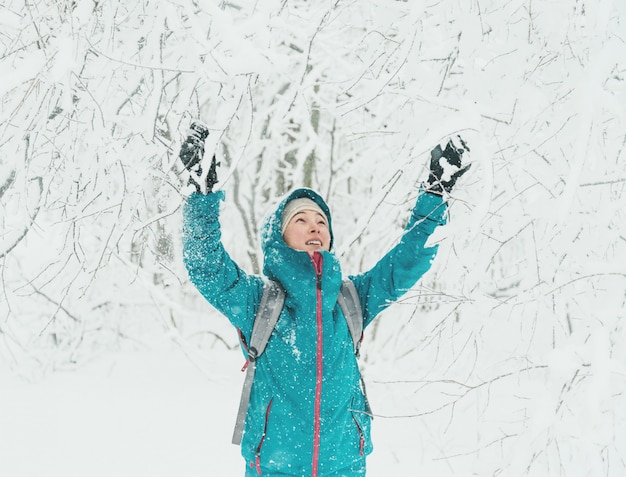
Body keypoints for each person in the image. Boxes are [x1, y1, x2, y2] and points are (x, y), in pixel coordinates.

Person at [180, 122, 470, 477]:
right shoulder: (261, 302)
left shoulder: (350, 300)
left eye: (321, 220)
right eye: (300, 219)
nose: (314, 226)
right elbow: (206, 265)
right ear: (280, 237)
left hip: (344, 465)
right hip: (274, 468)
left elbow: (407, 260)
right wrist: (201, 195)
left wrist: (435, 192)